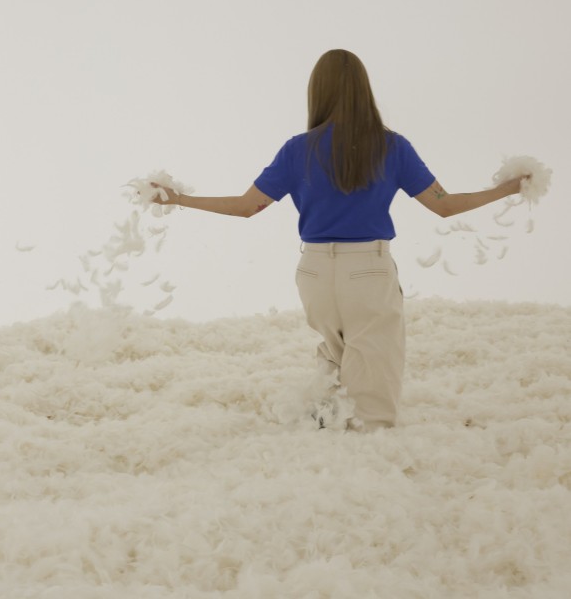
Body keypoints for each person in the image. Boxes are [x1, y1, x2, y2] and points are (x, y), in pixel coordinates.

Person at [153, 49, 526, 431]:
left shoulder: (297, 149)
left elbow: (246, 207)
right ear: (364, 90)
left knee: (333, 363)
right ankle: (365, 450)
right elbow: (444, 206)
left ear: (318, 91)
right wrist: (506, 189)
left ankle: (323, 441)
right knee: (374, 383)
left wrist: (178, 198)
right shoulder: (392, 146)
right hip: (368, 271)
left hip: (313, 273)